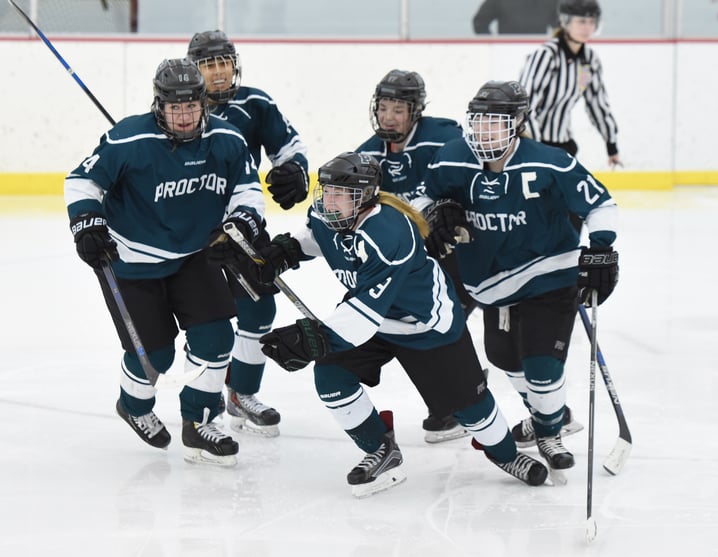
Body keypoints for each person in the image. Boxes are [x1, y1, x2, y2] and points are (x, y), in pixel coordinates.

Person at [253, 152, 550, 497]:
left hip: (424, 324)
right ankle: (380, 447)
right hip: (374, 318)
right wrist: (283, 253)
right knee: (331, 377)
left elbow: (364, 313)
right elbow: (316, 238)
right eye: (327, 191)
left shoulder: (388, 233)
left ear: (364, 198)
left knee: (471, 410)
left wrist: (312, 339)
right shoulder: (327, 215)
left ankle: (506, 454)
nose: (329, 202)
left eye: (340, 194)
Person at [64, 58, 268, 467]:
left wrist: (241, 223)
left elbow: (247, 191)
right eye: (175, 107)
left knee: (217, 341)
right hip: (131, 261)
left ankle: (199, 421)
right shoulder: (127, 140)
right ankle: (133, 404)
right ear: (160, 105)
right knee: (154, 357)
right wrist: (87, 224)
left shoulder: (227, 139)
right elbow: (82, 181)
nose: (183, 115)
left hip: (194, 256)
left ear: (203, 103)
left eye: (191, 106)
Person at [412, 80, 619, 473]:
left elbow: (601, 203)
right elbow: (421, 196)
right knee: (504, 358)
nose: (484, 130)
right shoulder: (452, 158)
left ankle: (548, 430)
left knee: (542, 366)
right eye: (479, 121)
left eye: (495, 122)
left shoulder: (549, 161)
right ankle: (547, 417)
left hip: (551, 275)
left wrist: (602, 247)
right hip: (491, 283)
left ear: (519, 122)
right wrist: (436, 210)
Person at [187, 30, 310, 437]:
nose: (218, 72)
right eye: (208, 64)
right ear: (194, 69)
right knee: (203, 322)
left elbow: (290, 148)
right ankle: (199, 405)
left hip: (243, 226)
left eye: (223, 63)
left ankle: (240, 392)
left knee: (259, 311)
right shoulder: (180, 107)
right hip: (190, 232)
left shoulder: (254, 103)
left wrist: (294, 171)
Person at [355, 69, 475, 444]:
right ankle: (456, 399)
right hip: (414, 258)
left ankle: (464, 397)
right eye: (384, 108)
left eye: (398, 109)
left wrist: (451, 207)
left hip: (461, 248)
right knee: (423, 324)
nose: (389, 117)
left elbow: (473, 178)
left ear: (416, 111)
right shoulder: (368, 153)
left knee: (445, 321)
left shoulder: (444, 137)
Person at [518, 0, 621, 168]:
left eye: (591, 22)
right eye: (581, 21)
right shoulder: (547, 55)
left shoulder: (588, 61)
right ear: (565, 22)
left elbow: (597, 104)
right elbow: (525, 105)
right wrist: (535, 148)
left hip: (564, 145)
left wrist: (612, 146)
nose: (587, 28)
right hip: (535, 143)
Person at [473, 0, 559, 35]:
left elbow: (561, 27)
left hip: (539, 52)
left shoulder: (550, 1)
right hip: (505, 53)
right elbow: (480, 22)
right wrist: (493, 44)